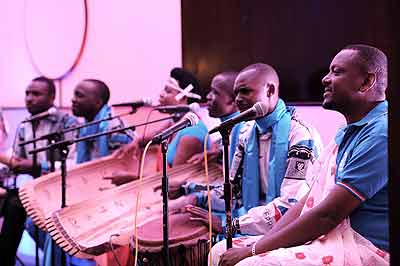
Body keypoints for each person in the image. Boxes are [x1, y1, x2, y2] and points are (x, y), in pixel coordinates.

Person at [211, 44, 389, 266]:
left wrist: (252, 248)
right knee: (221, 249)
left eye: (337, 72)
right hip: (328, 234)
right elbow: (309, 201)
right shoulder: (345, 133)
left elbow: (327, 214)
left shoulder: (380, 133)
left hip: (361, 246)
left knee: (251, 264)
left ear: (366, 82)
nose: (325, 79)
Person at [185, 63, 323, 238]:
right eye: (236, 93)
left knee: (220, 252)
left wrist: (231, 225)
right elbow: (234, 193)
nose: (238, 99)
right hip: (258, 225)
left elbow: (291, 205)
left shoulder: (300, 136)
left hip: (294, 230)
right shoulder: (247, 133)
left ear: (270, 90)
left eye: (245, 91)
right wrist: (193, 197)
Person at [0, 76, 77, 266]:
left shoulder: (66, 123)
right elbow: (17, 160)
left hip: (61, 186)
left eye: (36, 94)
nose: (29, 98)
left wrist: (35, 167)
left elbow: (74, 163)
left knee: (17, 204)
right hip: (34, 187)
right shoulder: (25, 124)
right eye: (27, 93)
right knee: (11, 201)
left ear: (52, 97)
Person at [110, 67, 211, 185]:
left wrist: (132, 178)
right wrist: (136, 142)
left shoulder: (191, 134)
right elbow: (154, 136)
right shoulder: (175, 122)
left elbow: (174, 183)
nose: (161, 94)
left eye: (168, 91)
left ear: (183, 97)